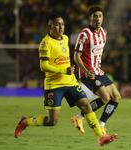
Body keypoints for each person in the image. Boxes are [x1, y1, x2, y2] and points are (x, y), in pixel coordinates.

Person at [14, 14, 117, 146]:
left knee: (86, 106)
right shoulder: (46, 43)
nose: (61, 27)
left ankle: (101, 137)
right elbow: (43, 66)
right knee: (52, 121)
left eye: (62, 24)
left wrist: (69, 70)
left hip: (70, 82)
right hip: (54, 85)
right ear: (50, 26)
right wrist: (64, 70)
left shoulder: (66, 38)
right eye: (57, 24)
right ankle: (25, 122)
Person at [71, 6, 121, 135]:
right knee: (105, 97)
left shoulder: (104, 33)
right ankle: (80, 116)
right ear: (89, 18)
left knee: (116, 97)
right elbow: (76, 56)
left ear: (102, 18)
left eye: (99, 16)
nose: (97, 19)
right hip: (87, 73)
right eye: (94, 16)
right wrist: (85, 70)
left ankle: (101, 123)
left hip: (98, 71)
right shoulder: (84, 34)